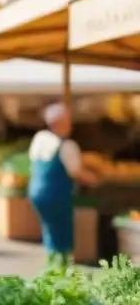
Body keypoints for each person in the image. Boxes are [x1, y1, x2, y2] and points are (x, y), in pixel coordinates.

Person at [28, 103, 98, 261]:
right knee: (62, 233)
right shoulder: (67, 145)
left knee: (49, 229)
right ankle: (61, 268)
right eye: (68, 121)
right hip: (56, 195)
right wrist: (94, 180)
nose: (71, 125)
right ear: (58, 123)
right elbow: (76, 171)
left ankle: (51, 264)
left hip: (36, 192)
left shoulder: (39, 139)